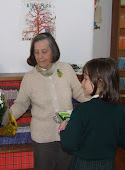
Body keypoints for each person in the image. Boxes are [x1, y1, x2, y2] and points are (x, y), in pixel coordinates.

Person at [10, 32, 90, 170]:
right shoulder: (29, 78)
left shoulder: (66, 69)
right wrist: (5, 118)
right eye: (36, 52)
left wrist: (98, 102)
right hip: (42, 137)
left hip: (68, 132)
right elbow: (21, 104)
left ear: (53, 51)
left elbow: (79, 92)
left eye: (44, 52)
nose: (40, 57)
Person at [59, 58, 125, 170]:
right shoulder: (121, 110)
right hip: (108, 165)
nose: (82, 82)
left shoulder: (82, 110)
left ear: (99, 82)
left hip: (82, 165)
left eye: (85, 78)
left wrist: (63, 128)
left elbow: (69, 144)